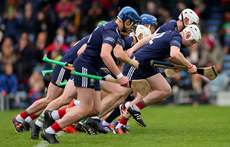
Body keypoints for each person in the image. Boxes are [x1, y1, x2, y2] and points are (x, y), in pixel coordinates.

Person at [40, 6, 139, 144]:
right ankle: (50, 131)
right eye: (131, 25)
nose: (130, 29)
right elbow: (105, 54)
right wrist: (120, 76)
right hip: (86, 66)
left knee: (95, 110)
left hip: (92, 68)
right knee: (85, 108)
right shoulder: (111, 31)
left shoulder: (113, 30)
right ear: (127, 21)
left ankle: (53, 115)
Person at [11, 21, 107, 135]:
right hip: (64, 67)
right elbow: (80, 53)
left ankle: (28, 120)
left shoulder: (91, 39)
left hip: (69, 69)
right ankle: (20, 118)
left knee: (61, 101)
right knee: (51, 99)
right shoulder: (94, 40)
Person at [116, 24, 201, 130]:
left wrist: (182, 66)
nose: (190, 45)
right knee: (122, 95)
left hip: (148, 66)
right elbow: (174, 54)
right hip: (136, 64)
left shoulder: (170, 34)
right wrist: (190, 65)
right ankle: (115, 123)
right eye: (192, 42)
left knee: (165, 90)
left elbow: (150, 38)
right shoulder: (176, 37)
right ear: (188, 35)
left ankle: (134, 108)